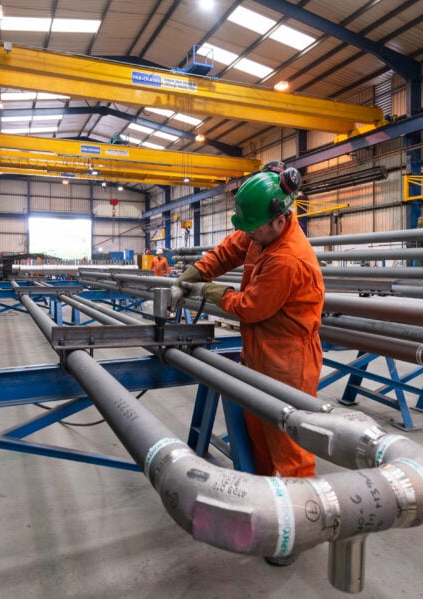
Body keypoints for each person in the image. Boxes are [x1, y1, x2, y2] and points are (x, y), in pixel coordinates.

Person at [175, 163, 325, 566]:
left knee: (289, 446)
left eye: (254, 228)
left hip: (289, 358)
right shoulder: (261, 229)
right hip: (259, 352)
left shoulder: (289, 258)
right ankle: (267, 508)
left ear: (280, 218)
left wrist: (212, 292)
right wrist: (198, 270)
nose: (249, 234)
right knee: (259, 435)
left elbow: (251, 307)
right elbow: (232, 247)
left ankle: (297, 527)